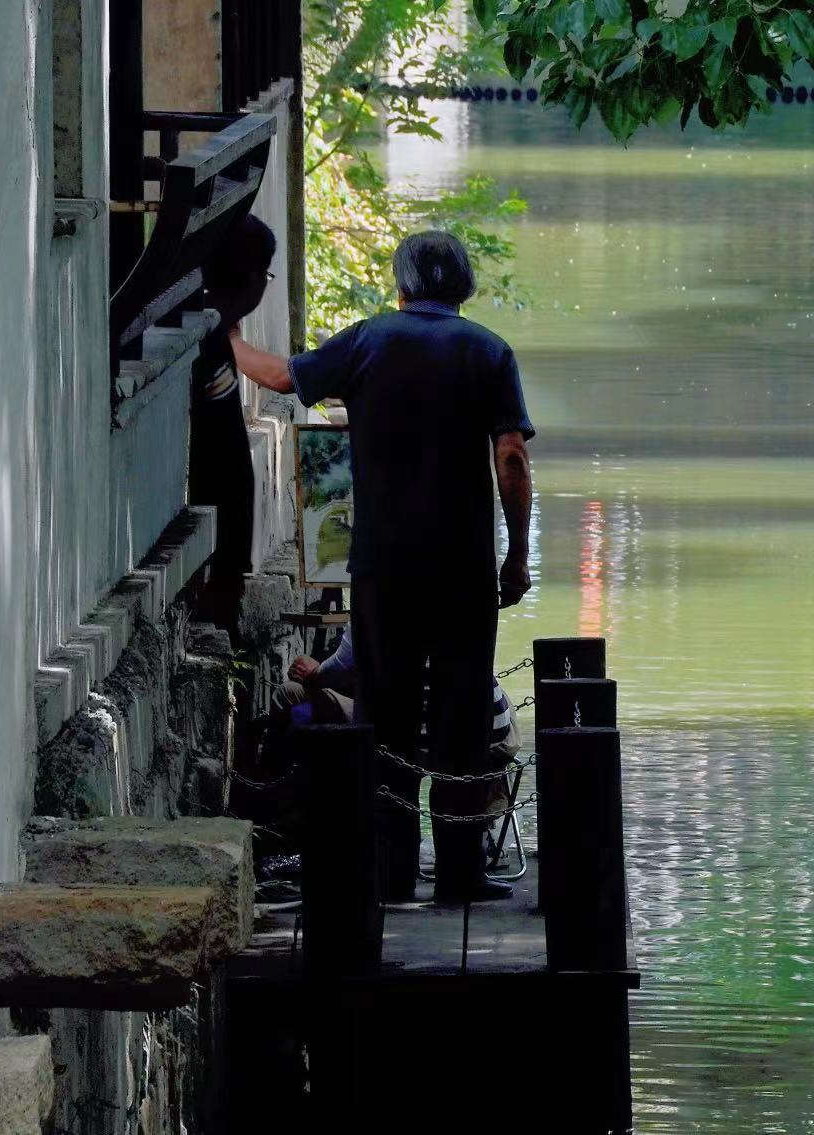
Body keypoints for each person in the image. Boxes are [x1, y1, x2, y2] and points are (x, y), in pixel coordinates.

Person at [229, 231, 534, 904]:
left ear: (400, 287)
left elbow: (283, 376)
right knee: (460, 718)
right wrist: (515, 553)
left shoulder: (368, 341)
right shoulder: (490, 352)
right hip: (462, 574)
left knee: (385, 716)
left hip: (381, 572)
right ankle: (459, 874)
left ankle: (392, 873)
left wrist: (226, 338)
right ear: (463, 288)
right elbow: (509, 457)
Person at [188, 214, 278, 638]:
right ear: (253, 279)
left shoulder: (206, 330)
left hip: (211, 550)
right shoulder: (209, 340)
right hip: (211, 556)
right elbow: (223, 456)